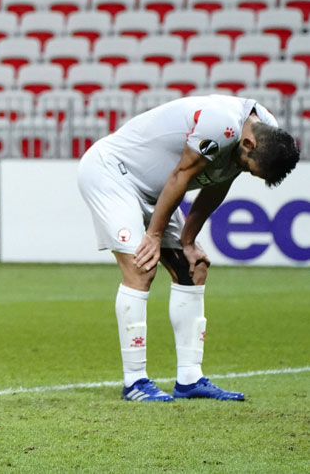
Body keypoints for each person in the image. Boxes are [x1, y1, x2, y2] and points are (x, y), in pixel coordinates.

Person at [77, 95, 299, 402]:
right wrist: (154, 235)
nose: (244, 170)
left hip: (157, 191)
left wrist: (189, 240)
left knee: (194, 268)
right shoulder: (220, 123)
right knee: (142, 267)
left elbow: (218, 184)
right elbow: (182, 175)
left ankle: (190, 378)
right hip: (113, 174)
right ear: (248, 144)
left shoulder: (266, 131)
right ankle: (134, 382)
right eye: (248, 167)